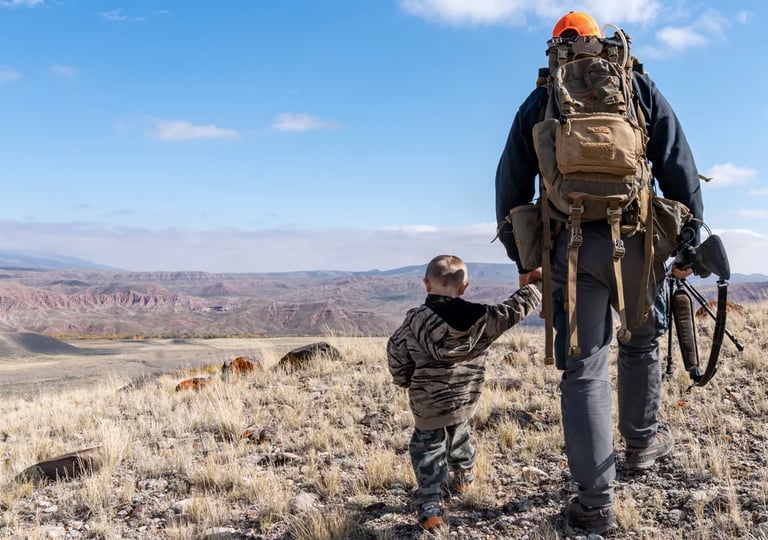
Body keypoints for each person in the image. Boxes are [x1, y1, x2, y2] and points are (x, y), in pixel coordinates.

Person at [494, 11, 704, 535]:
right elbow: (676, 158)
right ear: (596, 41)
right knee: (640, 343)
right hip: (636, 238)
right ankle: (641, 444)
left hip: (570, 247)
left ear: (555, 47)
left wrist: (525, 260)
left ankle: (594, 503)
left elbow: (509, 181)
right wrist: (690, 236)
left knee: (584, 368)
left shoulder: (542, 98)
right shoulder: (634, 84)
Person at [387, 254, 541, 530]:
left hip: (428, 404)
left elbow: (396, 352)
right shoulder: (483, 318)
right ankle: (464, 477)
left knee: (427, 448)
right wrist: (535, 286)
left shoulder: (414, 321)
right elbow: (512, 310)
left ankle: (431, 504)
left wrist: (403, 380)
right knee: (460, 434)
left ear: (426, 284)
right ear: (464, 287)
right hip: (464, 399)